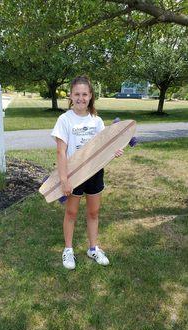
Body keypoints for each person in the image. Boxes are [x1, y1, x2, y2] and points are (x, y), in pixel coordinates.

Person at [51, 75, 123, 270]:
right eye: (77, 94)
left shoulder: (97, 120)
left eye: (84, 94)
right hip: (73, 175)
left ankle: (93, 248)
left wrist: (113, 150)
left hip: (95, 174)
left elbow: (103, 147)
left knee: (93, 212)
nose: (81, 98)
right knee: (71, 212)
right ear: (70, 96)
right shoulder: (64, 119)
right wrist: (64, 180)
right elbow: (61, 152)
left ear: (91, 96)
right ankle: (68, 250)